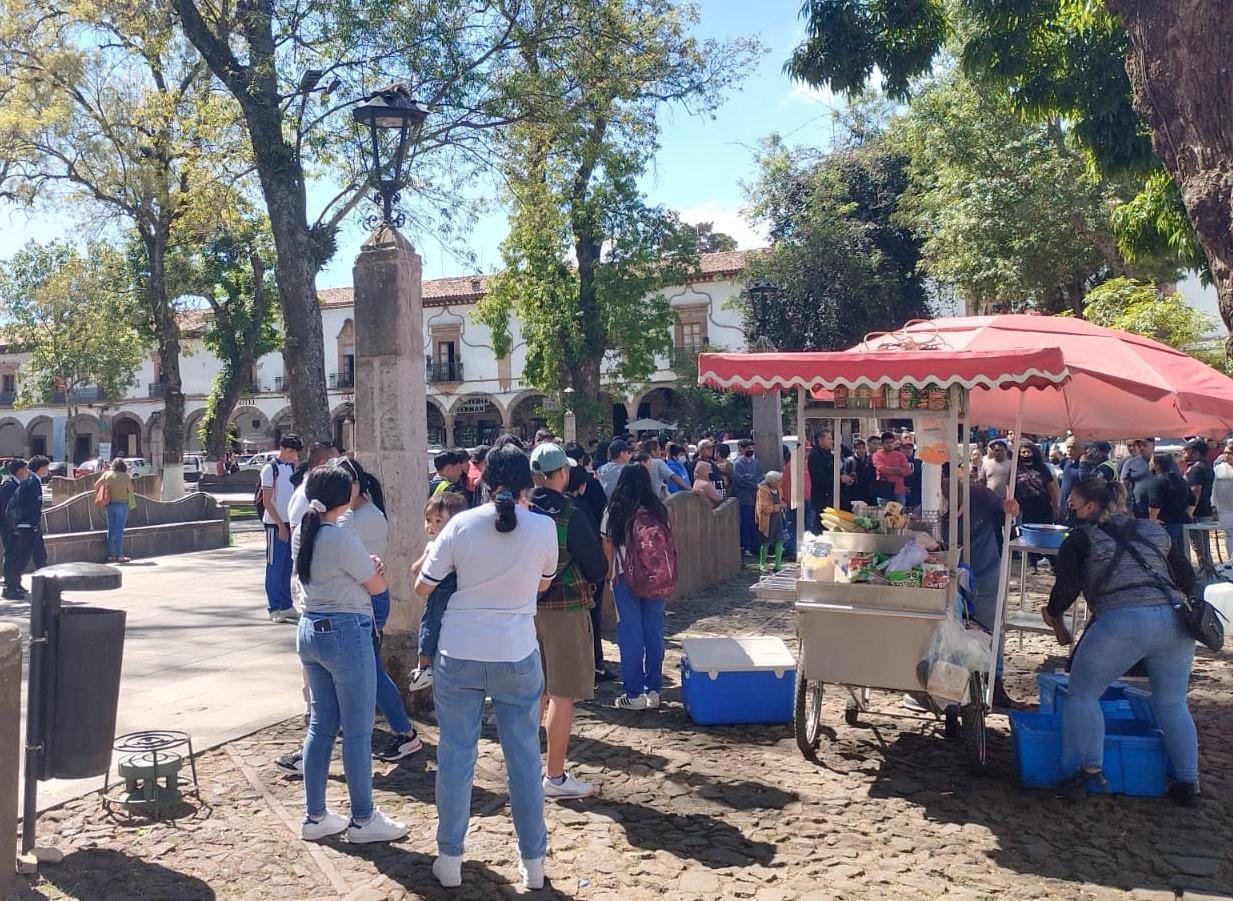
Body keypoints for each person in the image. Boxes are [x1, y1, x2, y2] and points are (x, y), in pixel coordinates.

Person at [414, 445, 558, 890]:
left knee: (456, 756)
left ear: (483, 481)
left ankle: (451, 858)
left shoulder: (459, 524)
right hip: (516, 650)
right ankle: (533, 863)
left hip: (459, 650)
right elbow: (542, 585)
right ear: (528, 484)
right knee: (523, 760)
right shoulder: (545, 527)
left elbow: (422, 588)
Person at [1041, 477, 1200, 805]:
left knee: (1083, 694)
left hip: (1122, 620)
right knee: (1171, 704)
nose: (1069, 507)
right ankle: (1188, 782)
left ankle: (1085, 770)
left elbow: (1066, 589)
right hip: (1176, 621)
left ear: (1089, 507)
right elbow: (1187, 579)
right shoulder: (1155, 530)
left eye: (1073, 502)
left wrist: (1053, 614)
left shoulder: (1081, 538)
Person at [292, 464, 408, 843]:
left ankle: (315, 814)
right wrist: (374, 569)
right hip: (345, 632)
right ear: (344, 498)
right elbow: (376, 587)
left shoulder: (304, 532)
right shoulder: (341, 537)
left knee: (321, 725)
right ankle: (362, 817)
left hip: (311, 629)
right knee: (357, 732)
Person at [529, 443, 608, 799]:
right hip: (565, 609)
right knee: (562, 694)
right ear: (561, 473)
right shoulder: (571, 514)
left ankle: (527, 764)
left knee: (534, 691)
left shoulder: (519, 510)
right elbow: (596, 566)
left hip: (522, 609)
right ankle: (556, 776)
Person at [334, 458, 424, 764]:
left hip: (365, 600)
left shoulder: (362, 519)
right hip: (353, 598)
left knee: (370, 670)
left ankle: (404, 732)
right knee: (360, 669)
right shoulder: (351, 517)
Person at [602, 463, 671, 711]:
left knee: (630, 634)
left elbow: (607, 542)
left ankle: (634, 694)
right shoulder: (658, 509)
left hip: (624, 578)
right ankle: (654, 690)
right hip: (655, 578)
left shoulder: (616, 509)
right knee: (654, 631)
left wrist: (609, 573)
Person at [406, 492, 468, 693]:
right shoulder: (433, 545)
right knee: (430, 619)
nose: (431, 525)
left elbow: (418, 573)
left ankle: (423, 665)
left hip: (444, 588)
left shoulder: (444, 545)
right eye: (428, 520)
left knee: (431, 619)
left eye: (438, 520)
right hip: (442, 588)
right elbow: (416, 569)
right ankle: (424, 666)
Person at [563, 458, 617, 684]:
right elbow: (592, 546)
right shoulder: (579, 511)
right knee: (590, 622)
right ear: (581, 487)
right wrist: (600, 573)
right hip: (578, 580)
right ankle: (593, 666)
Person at [261, 434, 303, 623]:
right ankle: (274, 607)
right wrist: (279, 524)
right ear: (283, 448)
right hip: (274, 523)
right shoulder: (271, 469)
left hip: (289, 521)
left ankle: (286, 605)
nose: (293, 455)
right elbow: (267, 501)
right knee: (274, 567)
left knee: (288, 566)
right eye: (291, 451)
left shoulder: (293, 468)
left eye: (295, 452)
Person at [1014, 441, 1062, 573]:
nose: (1026, 454)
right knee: (1028, 536)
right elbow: (1011, 488)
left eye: (1028, 452)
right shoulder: (1015, 469)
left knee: (1047, 534)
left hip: (1043, 506)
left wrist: (1056, 506)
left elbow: (1052, 488)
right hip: (1025, 508)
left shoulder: (1043, 468)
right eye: (1023, 452)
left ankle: (1054, 563)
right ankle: (1032, 564)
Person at [1146, 452, 1192, 551]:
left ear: (1156, 465)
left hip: (1166, 524)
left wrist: (1152, 520)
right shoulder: (1181, 480)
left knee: (1170, 557)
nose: (1149, 463)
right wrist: (1187, 514)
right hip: (1183, 523)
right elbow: (1192, 500)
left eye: (1151, 461)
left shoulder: (1157, 482)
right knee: (1182, 555)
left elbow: (1155, 503)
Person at [1184, 439, 1215, 568]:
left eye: (1187, 451)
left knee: (1199, 545)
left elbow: (1195, 491)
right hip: (1205, 510)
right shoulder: (1207, 465)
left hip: (1197, 513)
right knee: (1204, 545)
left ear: (1195, 453)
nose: (1184, 453)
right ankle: (1207, 570)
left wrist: (1189, 512)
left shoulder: (1196, 469)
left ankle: (1207, 571)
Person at [97, 457, 135, 563]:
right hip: (122, 505)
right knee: (119, 530)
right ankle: (119, 555)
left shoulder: (106, 474)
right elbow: (130, 490)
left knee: (111, 530)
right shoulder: (125, 477)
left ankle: (110, 555)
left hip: (109, 505)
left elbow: (96, 486)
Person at [0, 459, 29, 600]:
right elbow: (6, 510)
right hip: (10, 528)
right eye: (26, 469)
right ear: (19, 471)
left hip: (18, 527)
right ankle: (9, 587)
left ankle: (16, 583)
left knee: (19, 556)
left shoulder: (19, 485)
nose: (28, 471)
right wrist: (13, 527)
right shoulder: (9, 486)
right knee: (11, 556)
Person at [733, 439, 764, 557]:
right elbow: (739, 480)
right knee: (745, 523)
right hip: (744, 498)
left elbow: (760, 477)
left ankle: (756, 546)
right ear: (742, 449)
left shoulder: (756, 463)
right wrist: (754, 483)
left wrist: (755, 482)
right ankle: (746, 547)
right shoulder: (738, 463)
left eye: (752, 448)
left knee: (755, 523)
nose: (750, 451)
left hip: (756, 498)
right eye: (748, 448)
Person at [755, 471, 787, 574]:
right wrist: (778, 507)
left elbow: (780, 500)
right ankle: (762, 564)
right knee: (766, 541)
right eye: (778, 481)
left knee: (780, 540)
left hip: (778, 518)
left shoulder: (778, 489)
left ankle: (777, 564)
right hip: (768, 520)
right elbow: (764, 507)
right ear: (772, 482)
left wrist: (783, 505)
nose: (780, 482)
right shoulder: (763, 491)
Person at [807, 431, 836, 530]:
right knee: (822, 527)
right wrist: (838, 478)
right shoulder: (815, 456)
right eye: (829, 438)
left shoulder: (830, 456)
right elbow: (819, 479)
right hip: (822, 498)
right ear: (820, 440)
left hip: (832, 497)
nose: (831, 441)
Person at [873, 431, 911, 506]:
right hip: (883, 489)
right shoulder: (877, 455)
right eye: (887, 442)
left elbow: (907, 471)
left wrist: (890, 470)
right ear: (882, 443)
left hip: (899, 489)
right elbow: (881, 469)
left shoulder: (900, 455)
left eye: (891, 442)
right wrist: (898, 470)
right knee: (883, 513)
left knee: (900, 513)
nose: (890, 445)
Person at [1120, 438, 1155, 518]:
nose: (1141, 448)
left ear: (1153, 446)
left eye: (1145, 445)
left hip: (1160, 509)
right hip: (1138, 509)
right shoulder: (1131, 462)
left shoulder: (1165, 461)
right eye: (1139, 445)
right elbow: (1123, 485)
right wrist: (1123, 505)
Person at [1214, 441, 1233, 558]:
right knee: (1229, 535)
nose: (1226, 456)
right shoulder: (1218, 468)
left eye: (1229, 453)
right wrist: (1213, 505)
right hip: (1225, 509)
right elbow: (1214, 488)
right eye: (1225, 453)